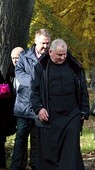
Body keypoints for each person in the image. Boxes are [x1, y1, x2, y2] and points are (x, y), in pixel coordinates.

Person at [30, 39, 90, 170]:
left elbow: (82, 89)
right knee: (50, 154)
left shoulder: (75, 67)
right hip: (51, 116)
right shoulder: (41, 67)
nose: (63, 57)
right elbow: (34, 91)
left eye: (65, 54)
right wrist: (39, 109)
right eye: (59, 55)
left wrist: (84, 110)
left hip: (72, 114)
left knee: (70, 151)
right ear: (50, 52)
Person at [10, 29, 51, 170]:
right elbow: (19, 73)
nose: (45, 46)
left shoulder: (50, 57)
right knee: (20, 140)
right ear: (35, 41)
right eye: (43, 43)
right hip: (23, 107)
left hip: (40, 108)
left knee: (37, 141)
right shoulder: (24, 56)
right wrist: (36, 82)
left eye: (47, 43)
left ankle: (35, 166)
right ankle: (16, 166)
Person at [0, 47, 24, 170]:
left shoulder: (29, 70)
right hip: (12, 107)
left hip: (25, 108)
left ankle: (22, 164)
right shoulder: (10, 72)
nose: (15, 60)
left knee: (23, 136)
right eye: (13, 58)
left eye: (17, 58)